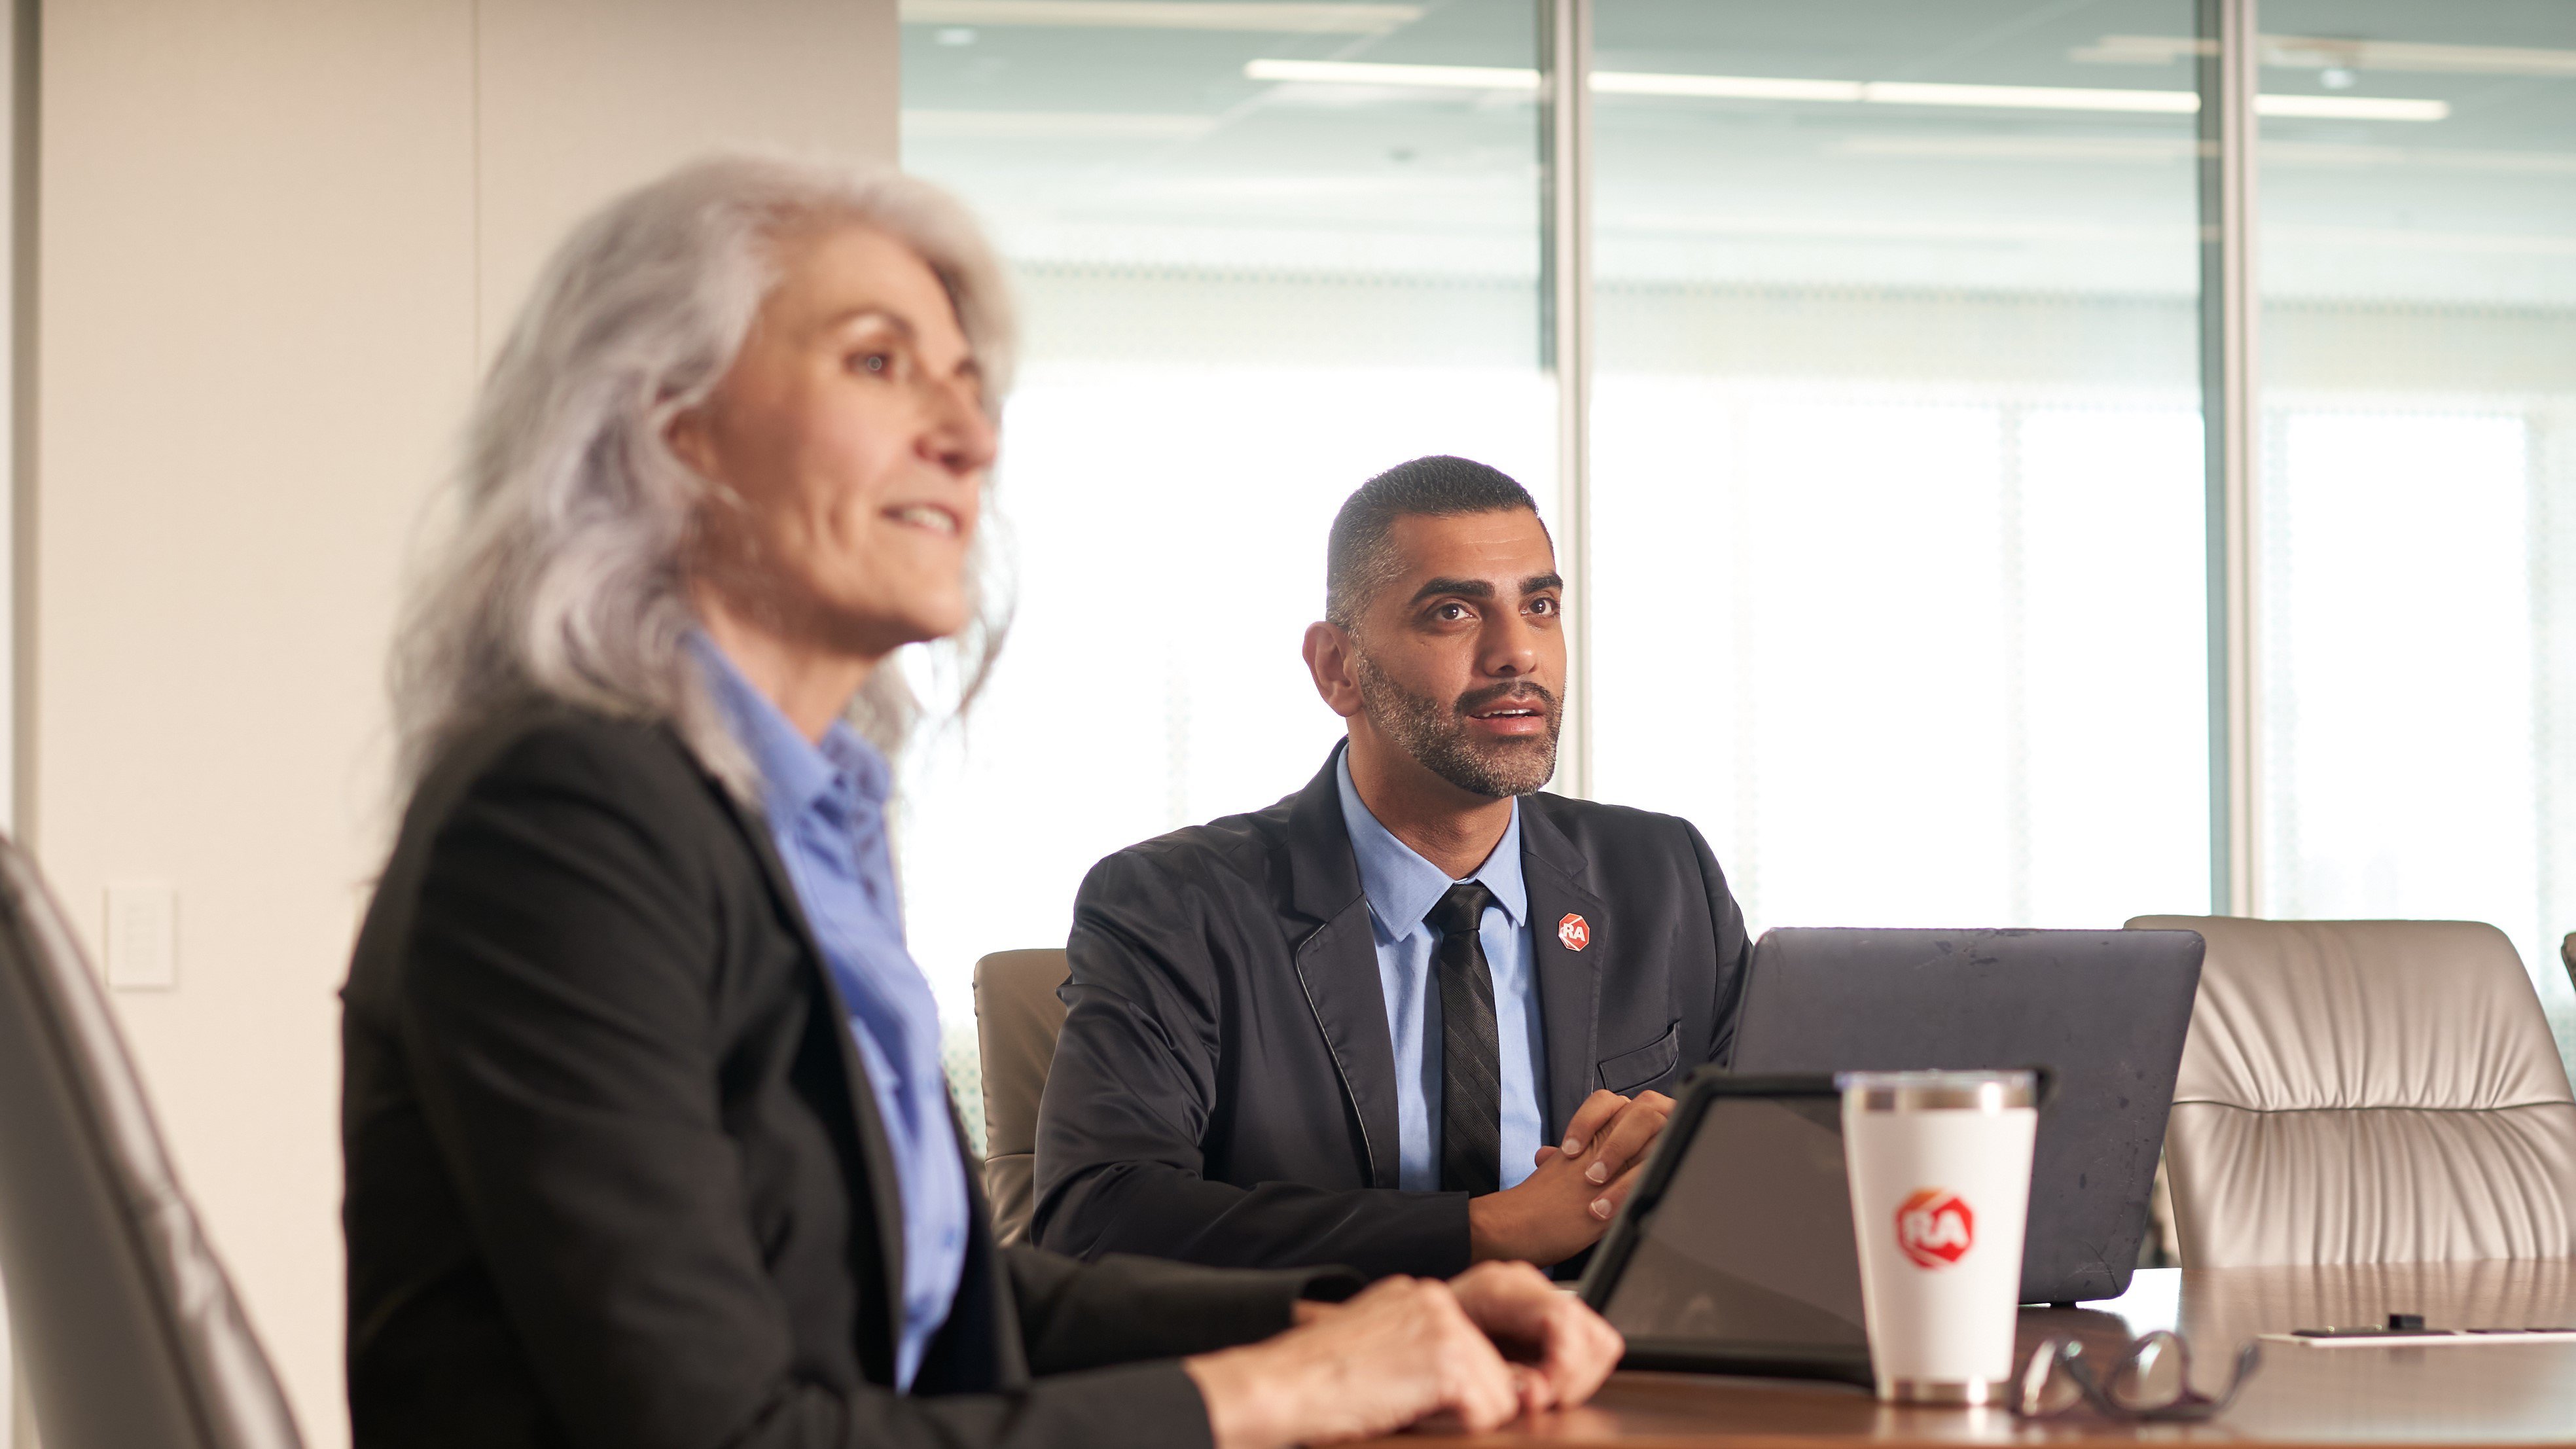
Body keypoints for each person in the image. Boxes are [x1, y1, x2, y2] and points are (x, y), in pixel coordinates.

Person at [338, 156, 1622, 1449]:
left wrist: (1354, 1319)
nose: (970, 436)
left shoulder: (796, 823)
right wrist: (1284, 1392)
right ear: (674, 425)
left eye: (967, 382)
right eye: (879, 363)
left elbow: (936, 1301)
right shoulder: (565, 823)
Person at [1033, 456, 1753, 1281]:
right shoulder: (1175, 906)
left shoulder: (1666, 880)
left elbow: (1788, 1185)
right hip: (1328, 1392)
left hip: (1618, 1389)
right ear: (1338, 668)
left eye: (1540, 606)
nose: (1517, 653)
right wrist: (1488, 1230)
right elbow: (1096, 1218)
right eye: (1453, 612)